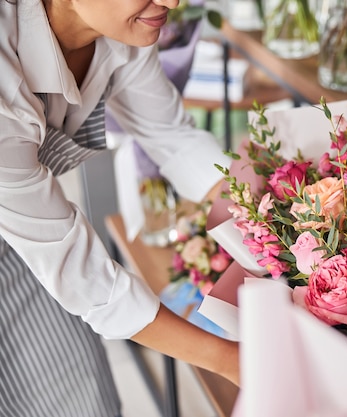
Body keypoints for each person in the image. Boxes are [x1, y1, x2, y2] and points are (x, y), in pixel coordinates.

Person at [0, 0, 239, 416]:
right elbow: (83, 273)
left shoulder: (124, 29)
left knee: (83, 402)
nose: (173, 2)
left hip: (28, 241)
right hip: (37, 237)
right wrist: (229, 359)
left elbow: (171, 136)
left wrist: (271, 222)